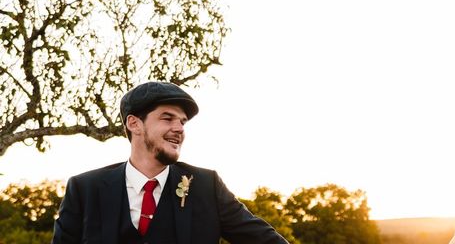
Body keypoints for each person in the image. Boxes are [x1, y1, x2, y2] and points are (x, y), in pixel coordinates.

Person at [52, 81, 290, 244]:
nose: (178, 128)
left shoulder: (207, 186)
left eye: (182, 122)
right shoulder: (85, 189)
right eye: (167, 118)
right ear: (134, 124)